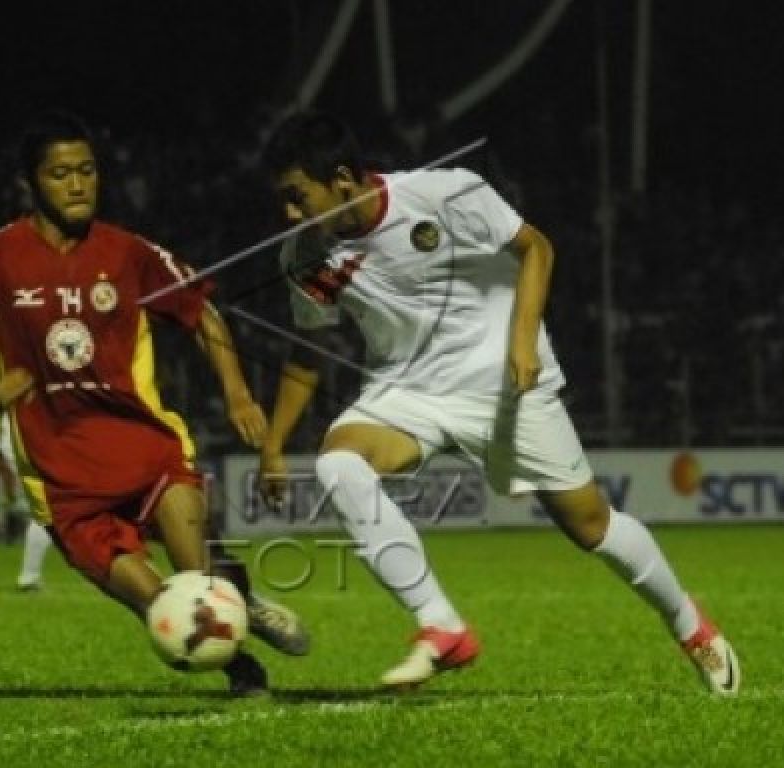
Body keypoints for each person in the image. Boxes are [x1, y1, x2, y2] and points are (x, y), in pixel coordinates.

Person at [257, 111, 740, 694]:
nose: (288, 214)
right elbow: (308, 350)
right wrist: (274, 444)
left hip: (500, 380)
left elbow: (536, 248)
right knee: (339, 464)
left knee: (590, 526)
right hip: (408, 389)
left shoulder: (444, 193)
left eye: (295, 196)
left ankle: (692, 629)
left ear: (340, 177)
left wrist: (521, 340)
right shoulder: (303, 257)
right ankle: (441, 626)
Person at [0, 111, 306, 696]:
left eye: (87, 170)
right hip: (62, 475)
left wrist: (237, 392)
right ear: (30, 184)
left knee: (198, 574)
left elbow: (203, 313)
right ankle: (240, 664)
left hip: (144, 447)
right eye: (60, 174)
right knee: (160, 604)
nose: (78, 184)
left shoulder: (129, 253)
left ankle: (236, 596)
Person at [0, 397, 53, 591]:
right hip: (26, 433)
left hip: (28, 433)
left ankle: (30, 576)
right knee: (48, 507)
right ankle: (29, 577)